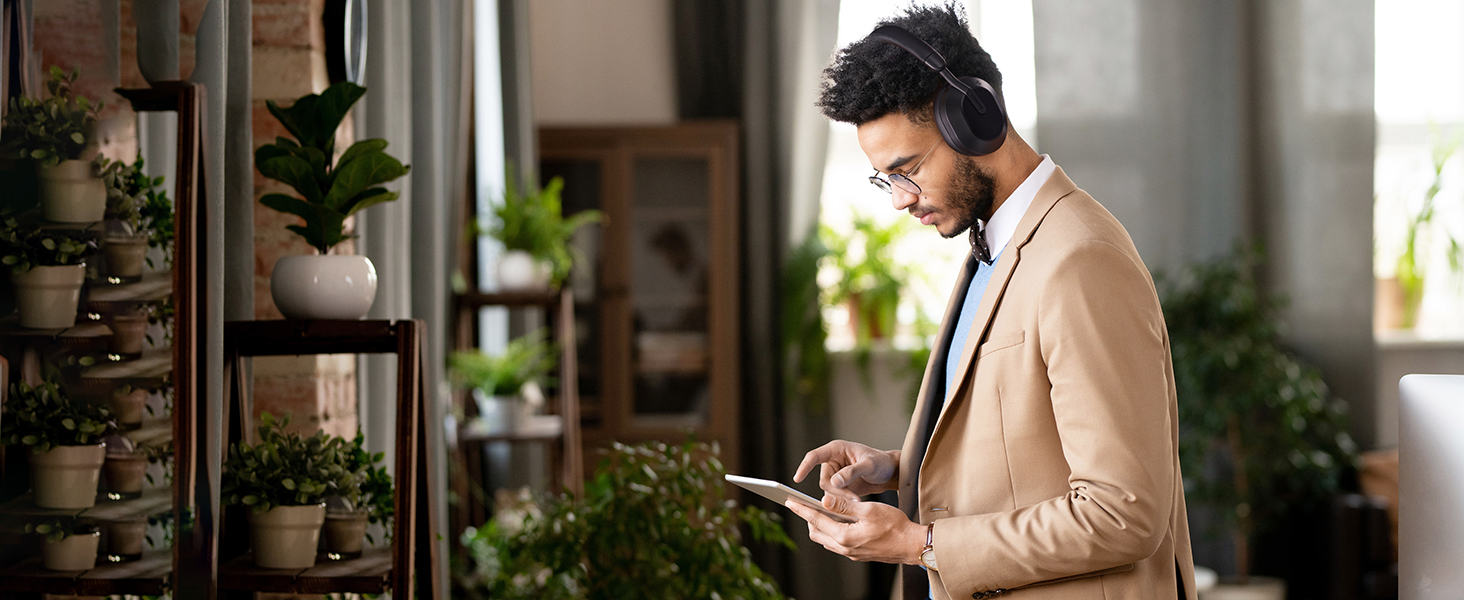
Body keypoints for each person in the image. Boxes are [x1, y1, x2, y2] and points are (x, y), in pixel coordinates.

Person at [782, 4, 1197, 599]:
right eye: (885, 180)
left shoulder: (1080, 260)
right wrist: (902, 465)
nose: (900, 200)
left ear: (976, 121)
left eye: (909, 169)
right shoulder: (993, 247)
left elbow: (1122, 512)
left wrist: (917, 544)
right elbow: (1028, 444)